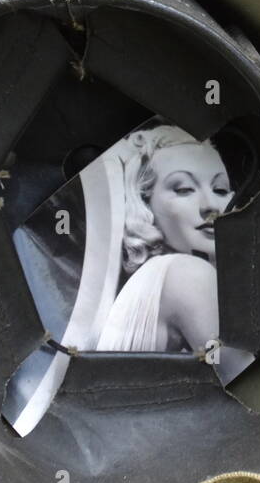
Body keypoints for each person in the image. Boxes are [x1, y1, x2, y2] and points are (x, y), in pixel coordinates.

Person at [96, 124, 248, 381]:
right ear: (143, 202)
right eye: (184, 189)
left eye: (220, 190)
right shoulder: (186, 274)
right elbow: (246, 381)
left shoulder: (151, 280)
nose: (211, 205)